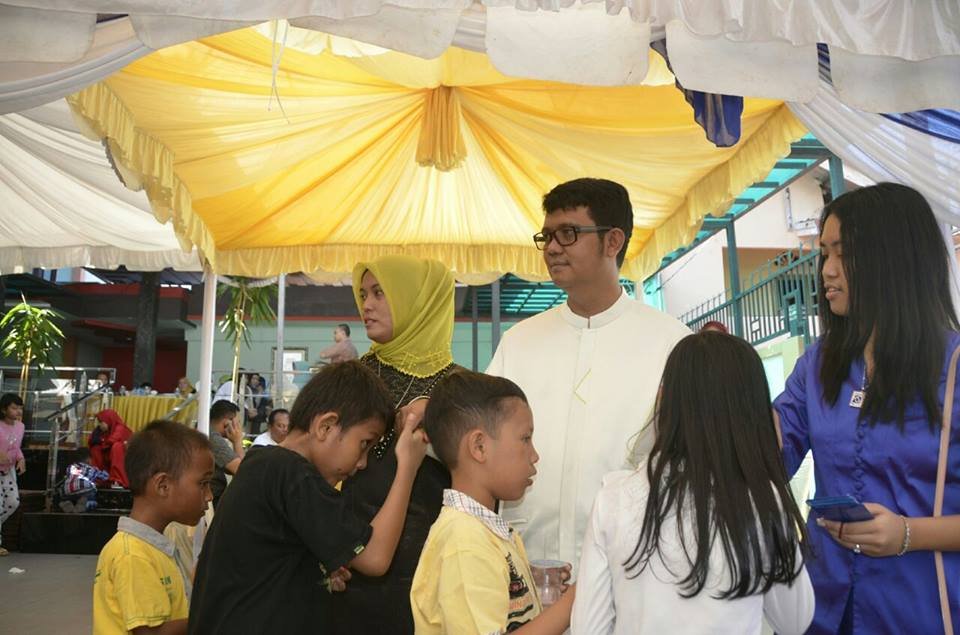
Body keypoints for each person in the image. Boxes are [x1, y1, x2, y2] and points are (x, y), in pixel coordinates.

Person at [773, 183, 960, 633]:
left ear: (893, 259)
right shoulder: (819, 364)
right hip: (824, 607)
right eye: (823, 254)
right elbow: (768, 447)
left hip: (925, 609)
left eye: (842, 254)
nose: (826, 271)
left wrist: (909, 534)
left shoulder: (953, 365)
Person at [487, 178, 690, 567]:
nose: (552, 249)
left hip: (631, 569)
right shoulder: (519, 341)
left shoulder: (671, 344)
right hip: (527, 567)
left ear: (613, 242)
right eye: (546, 236)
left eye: (568, 233)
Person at [572, 332, 814, 634]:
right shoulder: (762, 502)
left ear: (665, 400)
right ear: (752, 412)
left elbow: (587, 628)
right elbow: (795, 621)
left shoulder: (614, 497)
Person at [187, 361, 428, 634]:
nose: (362, 463)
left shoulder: (265, 464)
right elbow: (374, 559)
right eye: (364, 444)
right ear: (326, 427)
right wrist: (407, 467)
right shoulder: (292, 473)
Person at [331, 255, 461, 635]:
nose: (366, 305)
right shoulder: (349, 379)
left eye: (379, 293)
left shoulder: (461, 391)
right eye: (362, 294)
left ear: (419, 301)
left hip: (428, 577)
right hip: (346, 569)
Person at [412, 370, 576, 634]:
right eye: (525, 438)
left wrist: (523, 587)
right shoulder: (464, 542)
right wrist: (571, 603)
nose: (534, 456)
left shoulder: (484, 533)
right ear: (479, 447)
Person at [92, 420, 214, 635]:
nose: (209, 496)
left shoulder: (152, 547)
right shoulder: (133, 555)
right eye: (202, 483)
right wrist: (216, 616)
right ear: (163, 485)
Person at [0, 393, 26, 556]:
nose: (18, 411)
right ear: (4, 409)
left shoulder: (20, 426)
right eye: (14, 408)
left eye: (20, 408)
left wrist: (21, 459)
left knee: (12, 503)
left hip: (8, 470)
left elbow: (16, 447)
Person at [208, 400, 244, 509]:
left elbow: (230, 467)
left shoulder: (207, 430)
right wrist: (237, 441)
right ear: (227, 423)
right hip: (212, 499)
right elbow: (242, 471)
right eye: (237, 423)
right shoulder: (213, 438)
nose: (238, 427)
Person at [88, 409, 133, 488]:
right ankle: (98, 478)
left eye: (101, 422)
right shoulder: (102, 431)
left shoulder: (120, 428)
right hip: (109, 454)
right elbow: (92, 440)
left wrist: (102, 441)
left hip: (126, 457)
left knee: (117, 447)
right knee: (96, 448)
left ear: (108, 420)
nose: (99, 425)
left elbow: (112, 441)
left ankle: (119, 480)